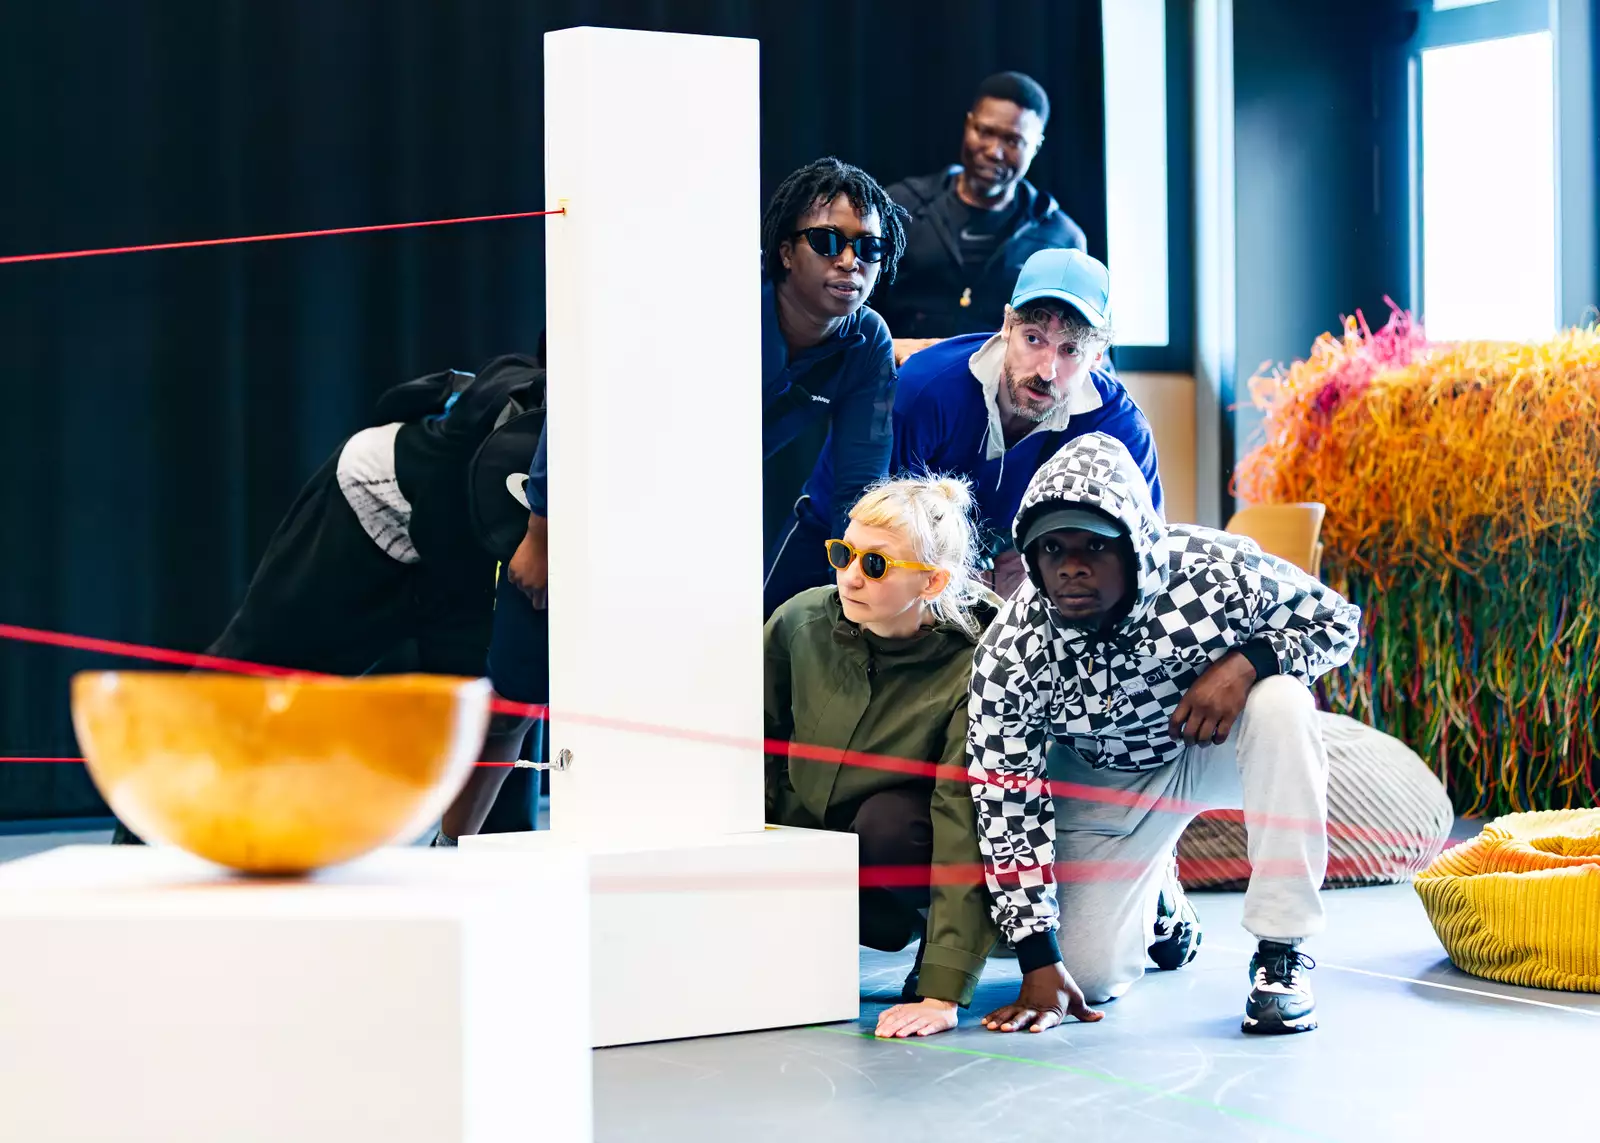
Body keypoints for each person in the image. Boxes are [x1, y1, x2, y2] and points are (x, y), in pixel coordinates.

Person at [967, 433, 1361, 1036]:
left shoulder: (1211, 571)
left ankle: (1281, 953)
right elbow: (1005, 800)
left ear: (1135, 546)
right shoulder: (1013, 650)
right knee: (1089, 977)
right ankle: (1159, 901)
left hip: (1212, 747)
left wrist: (1249, 662)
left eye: (1095, 545)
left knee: (1283, 700)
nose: (1071, 566)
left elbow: (1336, 621)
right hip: (1106, 781)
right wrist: (1038, 956)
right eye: (1052, 548)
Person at [109, 355, 546, 846]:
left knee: (506, 695)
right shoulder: (534, 444)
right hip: (374, 507)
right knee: (252, 681)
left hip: (468, 552)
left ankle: (496, 865)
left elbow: (512, 704)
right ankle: (138, 842)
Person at [766, 247, 1162, 608]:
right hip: (840, 535)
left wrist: (1040, 561)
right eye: (1033, 339)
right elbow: (866, 518)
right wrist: (952, 572)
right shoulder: (926, 390)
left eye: (1070, 350)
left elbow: (1146, 556)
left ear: (1097, 356)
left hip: (992, 573)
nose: (1047, 370)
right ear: (1007, 326)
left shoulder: (1120, 432)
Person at [765, 474, 1000, 1039]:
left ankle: (1155, 904)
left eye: (876, 565)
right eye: (843, 554)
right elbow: (754, 748)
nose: (850, 576)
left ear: (933, 581)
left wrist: (944, 989)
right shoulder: (800, 623)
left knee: (891, 823)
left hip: (910, 841)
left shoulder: (976, 665)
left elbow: (962, 817)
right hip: (822, 841)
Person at [762, 158, 907, 618]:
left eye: (869, 247)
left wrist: (857, 591)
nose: (849, 262)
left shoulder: (868, 340)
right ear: (786, 252)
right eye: (827, 242)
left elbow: (859, 489)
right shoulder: (732, 301)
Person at [873, 72, 1088, 362]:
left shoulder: (1060, 239)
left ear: (1035, 146)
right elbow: (853, 311)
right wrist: (890, 348)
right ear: (968, 124)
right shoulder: (900, 207)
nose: (994, 151)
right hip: (900, 381)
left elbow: (1080, 346)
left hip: (1005, 390)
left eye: (1012, 140)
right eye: (985, 132)